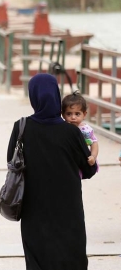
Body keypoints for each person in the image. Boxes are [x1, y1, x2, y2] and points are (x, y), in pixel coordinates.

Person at [7, 74, 97, 270]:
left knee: (38, 253)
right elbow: (89, 170)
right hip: (68, 206)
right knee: (70, 252)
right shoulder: (71, 131)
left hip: (33, 205)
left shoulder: (21, 127)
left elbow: (11, 162)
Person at [61, 92, 99, 167]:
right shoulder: (62, 128)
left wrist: (93, 157)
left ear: (84, 114)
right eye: (69, 114)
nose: (73, 117)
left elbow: (94, 143)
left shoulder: (86, 129)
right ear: (63, 114)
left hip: (81, 162)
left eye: (77, 114)